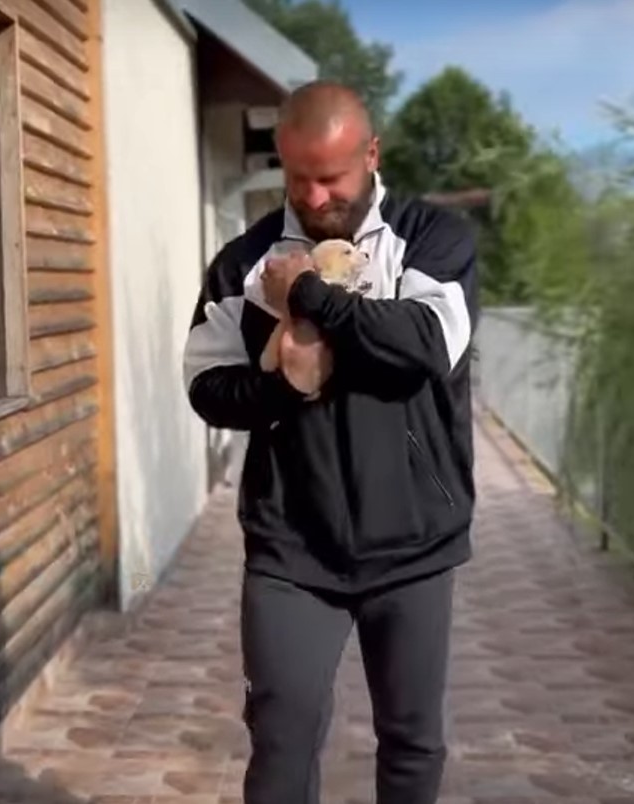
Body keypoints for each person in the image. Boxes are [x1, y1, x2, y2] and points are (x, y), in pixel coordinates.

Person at [183, 80, 478, 804]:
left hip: (413, 545)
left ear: (370, 154)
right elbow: (205, 389)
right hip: (292, 548)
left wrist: (309, 297)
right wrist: (287, 386)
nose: (313, 199)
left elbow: (424, 346)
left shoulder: (431, 241)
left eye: (331, 178)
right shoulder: (240, 264)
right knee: (281, 743)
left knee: (411, 742)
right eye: (297, 179)